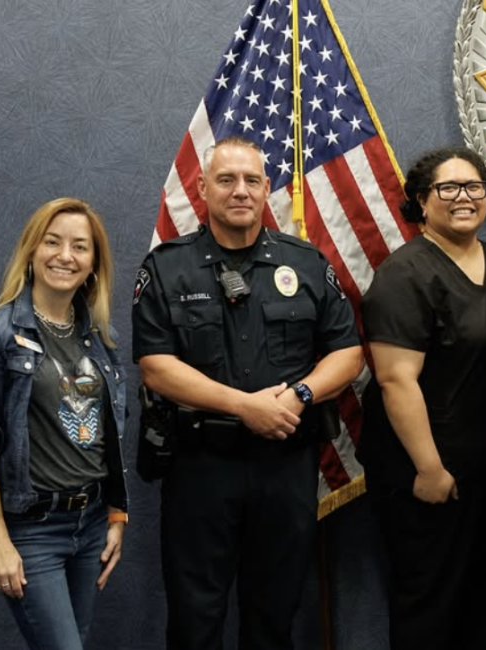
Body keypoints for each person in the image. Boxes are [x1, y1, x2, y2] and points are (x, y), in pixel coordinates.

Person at [131, 136, 364, 650]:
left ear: (266, 189)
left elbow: (348, 354)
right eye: (227, 179)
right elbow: (156, 368)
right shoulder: (167, 267)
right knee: (195, 618)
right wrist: (246, 407)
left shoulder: (305, 263)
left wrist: (300, 394)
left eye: (252, 180)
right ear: (202, 187)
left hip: (284, 467)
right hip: (200, 467)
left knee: (275, 614)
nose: (241, 191)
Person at [359, 147, 486, 649]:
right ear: (420, 200)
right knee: (429, 605)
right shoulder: (404, 274)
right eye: (449, 188)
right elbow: (396, 380)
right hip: (426, 471)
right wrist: (430, 469)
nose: (464, 198)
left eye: (474, 187)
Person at [0, 197, 129, 650]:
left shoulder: (96, 339)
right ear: (32, 251)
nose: (65, 256)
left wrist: (115, 513)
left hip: (91, 525)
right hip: (34, 531)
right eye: (52, 242)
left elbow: (105, 438)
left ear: (93, 263)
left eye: (80, 246)